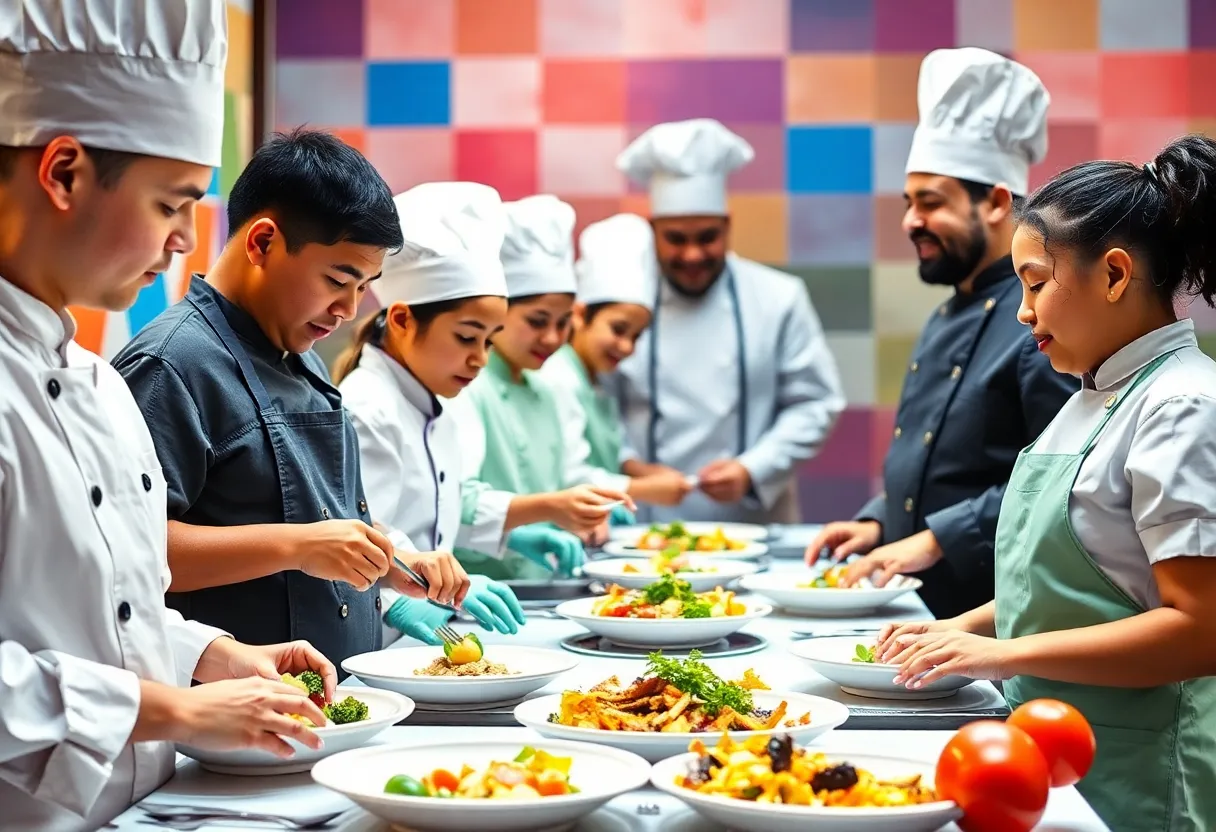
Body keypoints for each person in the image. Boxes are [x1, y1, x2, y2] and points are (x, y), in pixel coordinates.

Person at [0, 3, 338, 829]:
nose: (188, 239)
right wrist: (176, 714)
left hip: (148, 805)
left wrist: (207, 656)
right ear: (65, 172)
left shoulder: (97, 384)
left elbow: (115, 610)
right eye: (171, 203)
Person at [878, 134, 1216, 831]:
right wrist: (954, 632)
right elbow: (1072, 593)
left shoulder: (1181, 404)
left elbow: (1199, 629)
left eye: (1035, 283)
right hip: (1057, 751)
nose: (1023, 312)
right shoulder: (1092, 391)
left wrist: (1000, 654)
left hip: (1142, 770)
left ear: (1115, 275)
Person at [112, 129, 470, 671]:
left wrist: (391, 561)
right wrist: (299, 546)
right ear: (262, 243)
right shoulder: (170, 364)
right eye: (337, 280)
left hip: (339, 698)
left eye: (363, 287)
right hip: (236, 710)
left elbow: (326, 518)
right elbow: (134, 551)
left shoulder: (298, 351)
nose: (348, 309)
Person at [805, 48, 1076, 619]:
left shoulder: (1042, 318)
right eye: (909, 203)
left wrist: (933, 540)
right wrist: (878, 519)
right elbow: (940, 463)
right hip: (918, 609)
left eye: (931, 203)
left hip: (991, 612)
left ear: (998, 202)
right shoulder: (946, 314)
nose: (910, 221)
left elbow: (1063, 477)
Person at [335, 182, 625, 644]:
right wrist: (403, 597)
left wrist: (514, 531)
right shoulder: (368, 408)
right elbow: (357, 537)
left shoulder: (433, 402)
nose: (481, 359)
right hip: (376, 637)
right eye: (467, 337)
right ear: (403, 320)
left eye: (490, 341)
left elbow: (437, 511)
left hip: (421, 637)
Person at [610, 118, 845, 525]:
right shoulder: (620, 306)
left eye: (707, 237)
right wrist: (630, 465)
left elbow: (816, 403)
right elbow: (595, 406)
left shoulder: (778, 297)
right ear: (653, 231)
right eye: (676, 239)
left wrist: (754, 467)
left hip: (754, 523)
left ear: (728, 225)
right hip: (639, 527)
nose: (693, 255)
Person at [448, 194, 633, 580]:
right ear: (498, 311)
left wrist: (582, 512)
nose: (552, 337)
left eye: (563, 322)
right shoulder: (465, 385)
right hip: (477, 585)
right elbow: (450, 502)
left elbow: (564, 476)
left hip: (542, 579)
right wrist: (550, 508)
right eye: (537, 320)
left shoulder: (548, 388)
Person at [540, 213, 694, 508]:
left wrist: (640, 470)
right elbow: (571, 475)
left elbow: (610, 447)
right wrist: (645, 488)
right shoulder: (557, 375)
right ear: (581, 315)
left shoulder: (597, 379)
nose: (626, 347)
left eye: (636, 336)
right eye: (618, 329)